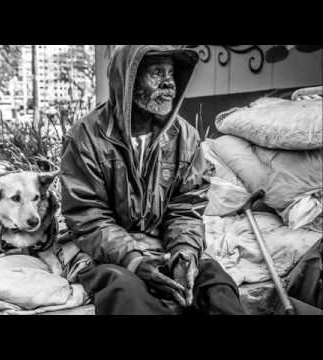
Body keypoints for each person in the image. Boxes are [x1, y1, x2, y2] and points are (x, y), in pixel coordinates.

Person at [59, 45, 245, 315]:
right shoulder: (86, 136)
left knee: (214, 282)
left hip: (162, 246)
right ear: (129, 80)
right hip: (105, 252)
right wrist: (134, 260)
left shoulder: (186, 137)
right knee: (126, 290)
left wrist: (184, 254)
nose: (169, 82)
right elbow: (89, 217)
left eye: (171, 73)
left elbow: (186, 208)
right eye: (157, 73)